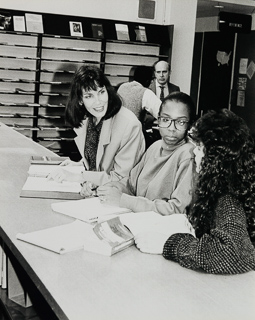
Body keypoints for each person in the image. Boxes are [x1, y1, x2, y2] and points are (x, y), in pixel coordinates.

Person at [135, 109, 255, 274]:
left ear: (215, 159)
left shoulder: (228, 201)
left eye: (199, 148)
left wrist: (170, 243)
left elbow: (233, 254)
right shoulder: (226, 185)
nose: (194, 152)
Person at [94, 92, 196, 216]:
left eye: (180, 122)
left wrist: (125, 200)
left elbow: (177, 210)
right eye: (165, 120)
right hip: (137, 221)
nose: (171, 128)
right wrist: (109, 188)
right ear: (158, 120)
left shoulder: (189, 155)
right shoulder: (155, 147)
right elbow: (131, 185)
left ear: (190, 124)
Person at [48, 65, 145, 192]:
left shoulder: (129, 125)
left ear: (108, 91)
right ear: (80, 100)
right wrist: (81, 164)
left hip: (119, 198)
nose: (98, 102)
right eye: (89, 96)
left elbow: (121, 180)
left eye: (101, 92)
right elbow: (99, 159)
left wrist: (78, 176)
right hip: (97, 193)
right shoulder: (89, 118)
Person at [117, 66, 161, 148]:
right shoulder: (146, 92)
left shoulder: (122, 87)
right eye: (151, 80)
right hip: (132, 137)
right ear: (148, 80)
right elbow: (161, 112)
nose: (152, 83)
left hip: (116, 134)